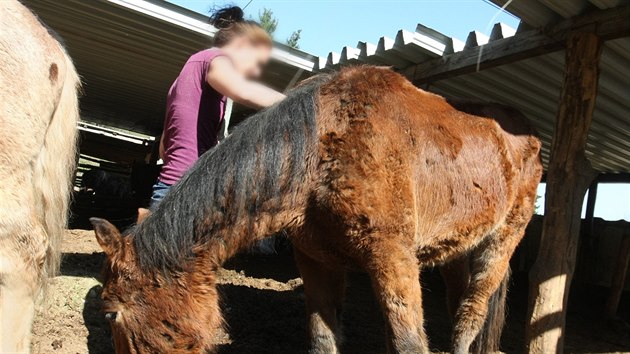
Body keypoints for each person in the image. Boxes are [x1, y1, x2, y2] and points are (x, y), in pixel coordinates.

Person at [139, 6, 285, 221]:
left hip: (175, 184)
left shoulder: (191, 78)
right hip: (184, 191)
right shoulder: (213, 58)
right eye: (255, 61)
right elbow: (244, 90)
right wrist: (299, 101)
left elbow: (164, 146)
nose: (255, 71)